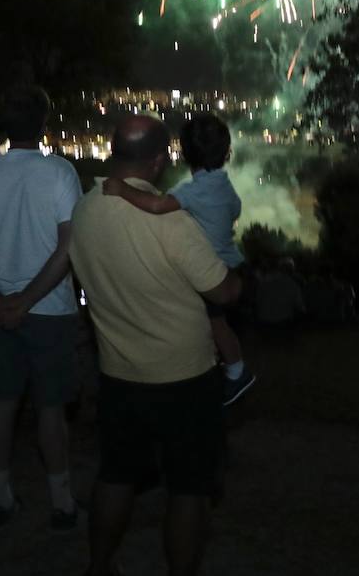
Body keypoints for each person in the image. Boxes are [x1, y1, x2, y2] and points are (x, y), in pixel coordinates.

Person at [70, 115, 241, 576]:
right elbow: (223, 292)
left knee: (116, 474)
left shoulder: (84, 210)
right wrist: (237, 272)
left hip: (119, 374)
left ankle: (99, 570)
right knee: (189, 488)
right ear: (160, 160)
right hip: (184, 378)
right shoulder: (170, 221)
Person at [0, 85, 84, 531]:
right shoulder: (61, 174)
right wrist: (27, 301)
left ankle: (1, 497)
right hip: (51, 310)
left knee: (2, 405)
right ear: (43, 124)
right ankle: (62, 502)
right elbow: (70, 248)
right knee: (51, 410)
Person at [103, 113, 255, 405]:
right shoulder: (224, 185)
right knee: (217, 325)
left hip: (215, 269)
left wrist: (123, 189)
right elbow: (234, 210)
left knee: (215, 325)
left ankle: (237, 372)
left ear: (184, 154)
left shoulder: (192, 191)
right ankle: (228, 368)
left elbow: (159, 205)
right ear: (226, 153)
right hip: (233, 263)